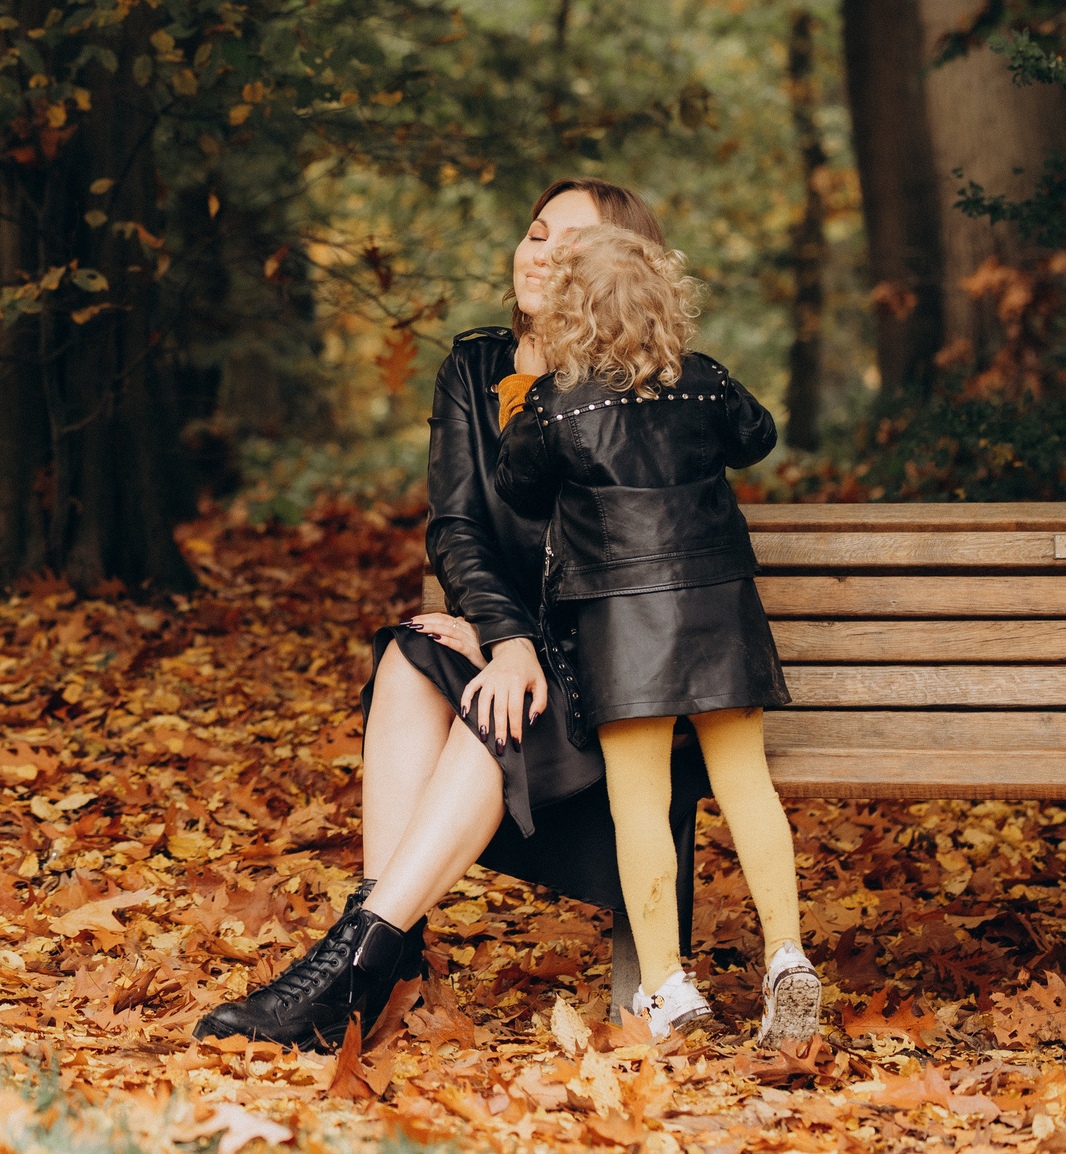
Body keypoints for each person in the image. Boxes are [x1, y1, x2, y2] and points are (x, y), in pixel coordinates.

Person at [195, 178, 711, 1050]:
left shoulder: (644, 387)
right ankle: (381, 954)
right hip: (521, 640)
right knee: (408, 655)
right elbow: (459, 526)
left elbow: (629, 560)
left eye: (571, 245)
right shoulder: (475, 368)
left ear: (620, 268)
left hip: (621, 662)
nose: (541, 253)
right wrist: (503, 636)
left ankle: (349, 965)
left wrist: (520, 643)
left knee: (491, 706)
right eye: (536, 230)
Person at [490, 224, 821, 1042]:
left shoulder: (558, 406)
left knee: (640, 801)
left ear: (569, 311)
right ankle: (787, 955)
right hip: (720, 613)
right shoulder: (704, 384)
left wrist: (524, 400)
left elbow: (519, 491)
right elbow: (759, 436)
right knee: (747, 785)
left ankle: (669, 983)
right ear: (665, 299)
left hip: (621, 626)